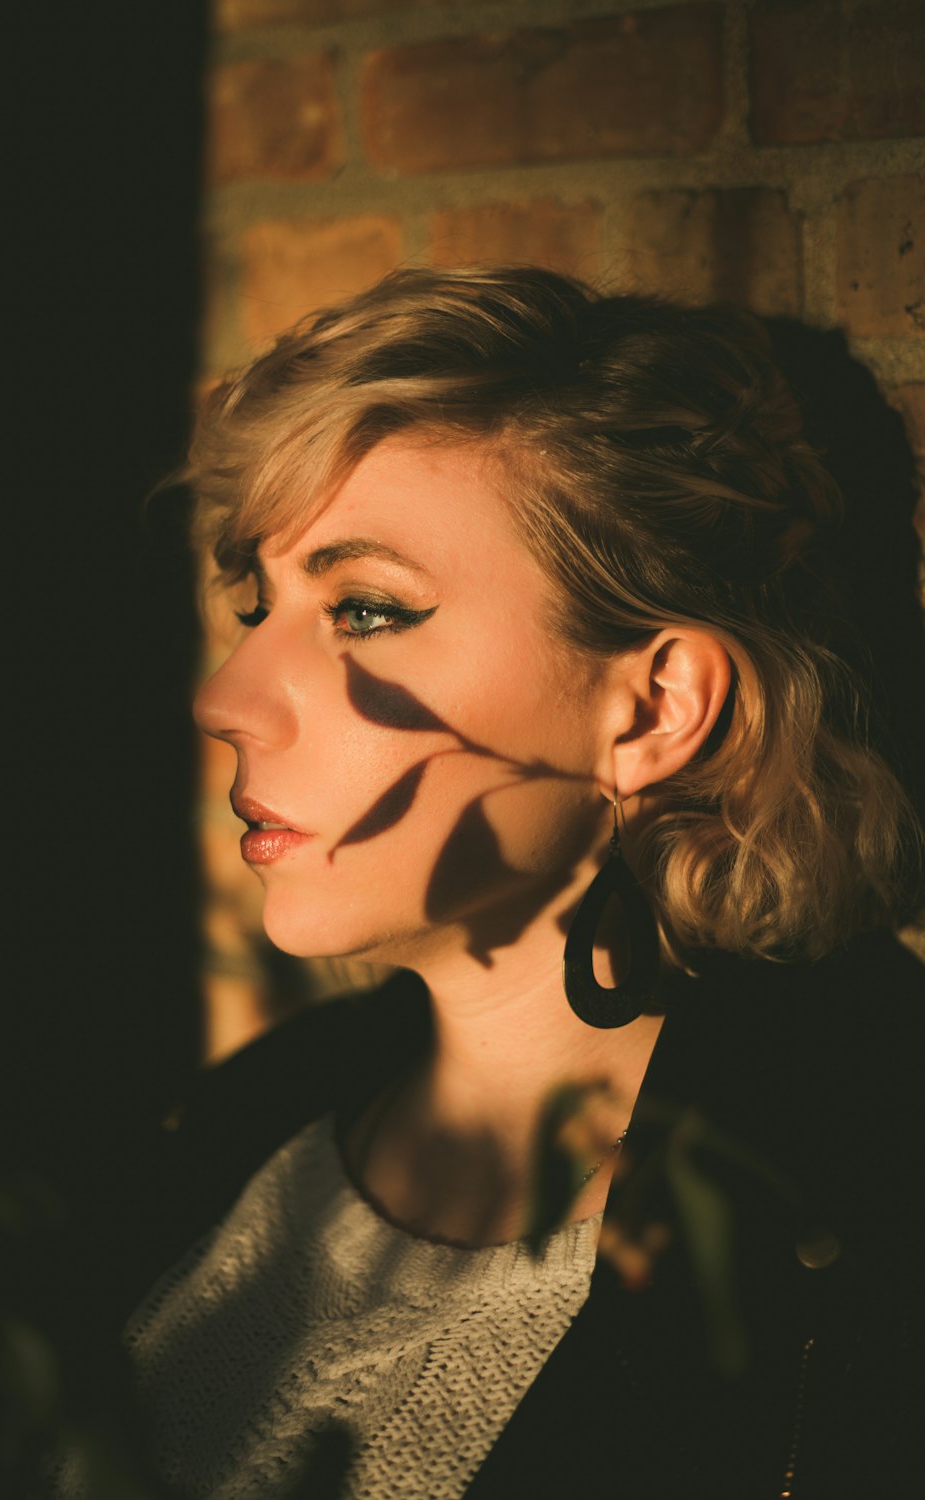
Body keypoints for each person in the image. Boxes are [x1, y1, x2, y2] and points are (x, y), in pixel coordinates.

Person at [112, 268, 924, 1500]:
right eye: (254, 602)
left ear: (652, 708)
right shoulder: (233, 1134)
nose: (225, 699)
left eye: (369, 609)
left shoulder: (850, 1239)